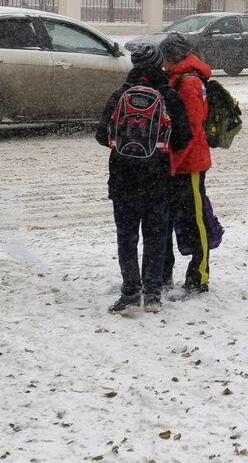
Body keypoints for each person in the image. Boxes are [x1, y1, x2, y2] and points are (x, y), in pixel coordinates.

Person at [95, 44, 192, 315]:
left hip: (123, 179)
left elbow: (102, 136)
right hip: (158, 180)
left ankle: (129, 291)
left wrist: (128, 146)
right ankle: (152, 294)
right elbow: (185, 137)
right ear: (159, 64)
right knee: (155, 236)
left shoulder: (121, 94)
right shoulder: (169, 96)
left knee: (127, 237)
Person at [159, 33, 217, 298]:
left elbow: (191, 129)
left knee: (196, 221)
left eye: (165, 59)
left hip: (189, 163)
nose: (163, 64)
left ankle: (199, 276)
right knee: (171, 219)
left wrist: (175, 162)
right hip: (182, 161)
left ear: (172, 57)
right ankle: (166, 273)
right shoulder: (180, 78)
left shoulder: (189, 82)